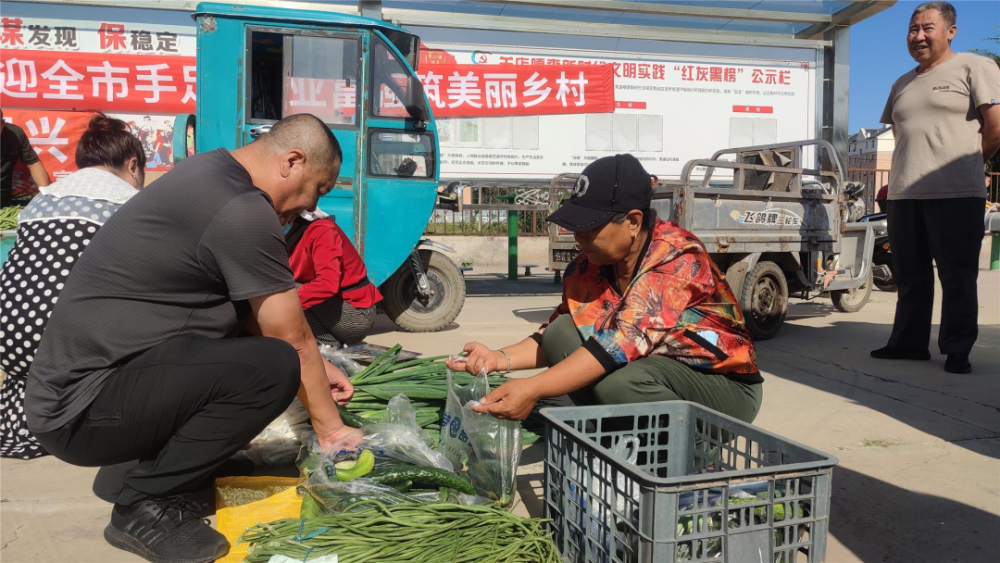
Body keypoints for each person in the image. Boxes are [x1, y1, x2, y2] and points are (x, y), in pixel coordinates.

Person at [26, 114, 358, 563]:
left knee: (261, 355)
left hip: (78, 397)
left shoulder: (209, 171)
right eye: (317, 188)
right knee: (272, 366)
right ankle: (145, 505)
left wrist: (322, 365)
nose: (308, 206)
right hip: (81, 412)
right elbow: (290, 335)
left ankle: (187, 467)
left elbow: (248, 315)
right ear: (292, 162)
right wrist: (332, 431)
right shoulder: (240, 206)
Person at [445, 154, 762, 423]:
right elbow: (553, 333)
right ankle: (617, 435)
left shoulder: (676, 259)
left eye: (591, 226)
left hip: (722, 386)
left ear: (634, 222)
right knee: (562, 332)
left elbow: (618, 345)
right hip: (655, 369)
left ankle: (687, 454)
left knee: (621, 383)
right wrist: (497, 359)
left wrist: (532, 388)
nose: (578, 235)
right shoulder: (591, 265)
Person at [0, 114, 145, 460]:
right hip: (63, 354)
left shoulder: (42, 200)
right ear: (133, 165)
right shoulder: (128, 205)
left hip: (11, 345)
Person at [871, 1, 1000, 374]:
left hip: (957, 192)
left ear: (951, 31)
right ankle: (908, 343)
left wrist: (967, 166)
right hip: (905, 194)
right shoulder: (902, 83)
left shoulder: (975, 67)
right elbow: (901, 132)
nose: (919, 36)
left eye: (927, 28)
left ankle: (957, 348)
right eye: (913, 29)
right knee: (909, 274)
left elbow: (994, 129)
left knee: (957, 275)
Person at [285, 210, 383, 347]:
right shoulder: (287, 235)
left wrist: (281, 307)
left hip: (355, 316)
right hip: (333, 312)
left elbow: (327, 283)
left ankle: (327, 345)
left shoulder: (320, 229)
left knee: (285, 293)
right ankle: (327, 345)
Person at [0, 108, 51, 207]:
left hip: (3, 201)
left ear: (2, 123)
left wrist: (47, 193)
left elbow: (32, 163)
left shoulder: (15, 134)